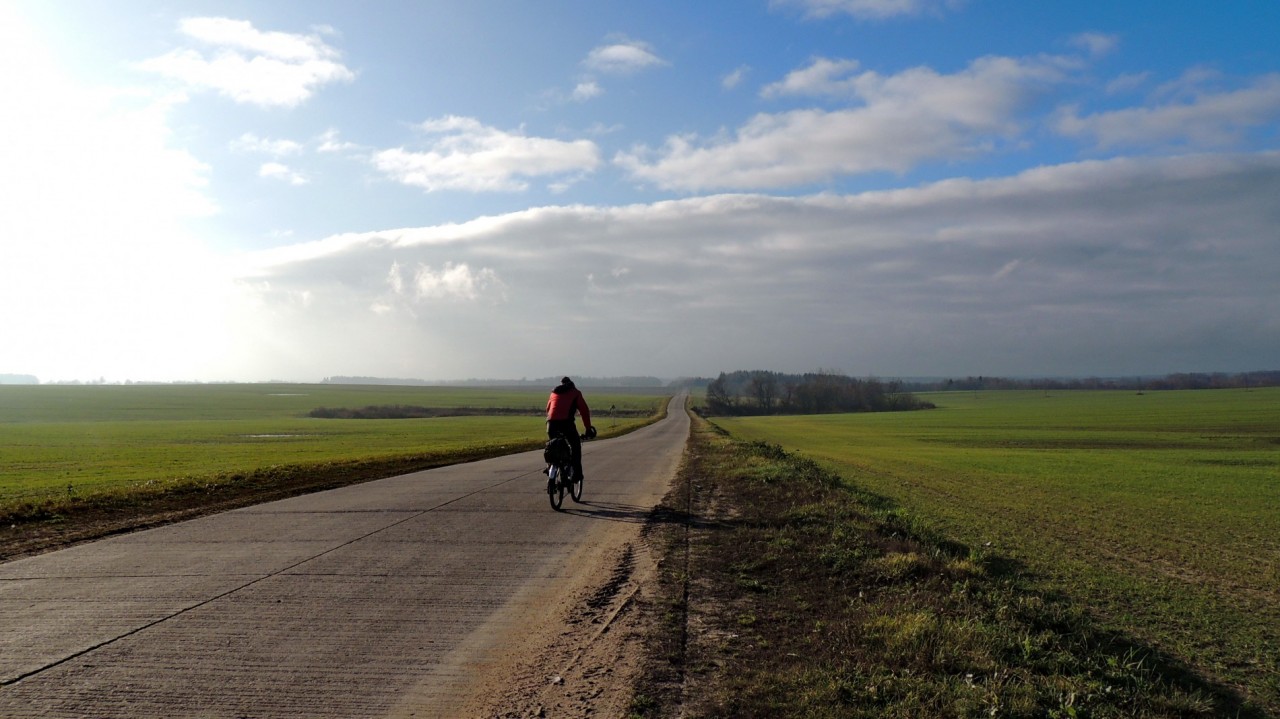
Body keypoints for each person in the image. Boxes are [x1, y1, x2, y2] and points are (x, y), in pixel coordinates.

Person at [546, 376, 595, 482]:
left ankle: (550, 466)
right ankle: (576, 475)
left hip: (551, 424)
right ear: (572, 385)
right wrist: (588, 429)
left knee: (553, 446)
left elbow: (548, 409)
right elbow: (584, 411)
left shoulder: (553, 392)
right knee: (575, 446)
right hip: (566, 423)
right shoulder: (575, 393)